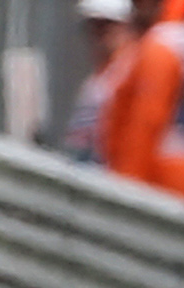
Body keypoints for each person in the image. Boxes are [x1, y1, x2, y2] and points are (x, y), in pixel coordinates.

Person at [97, 0, 184, 199]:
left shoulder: (160, 47)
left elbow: (147, 123)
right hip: (175, 172)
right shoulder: (176, 37)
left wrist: (125, 189)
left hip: (155, 179)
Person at [59, 0, 132, 167]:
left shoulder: (127, 72)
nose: (100, 33)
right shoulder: (98, 78)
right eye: (94, 25)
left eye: (107, 25)